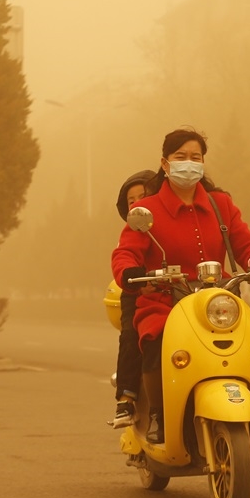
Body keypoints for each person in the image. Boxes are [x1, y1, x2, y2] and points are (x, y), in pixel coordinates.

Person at [111, 128, 250, 443]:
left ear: (203, 163)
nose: (188, 163)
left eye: (196, 157)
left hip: (216, 301)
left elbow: (245, 243)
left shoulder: (221, 204)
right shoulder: (146, 209)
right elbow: (125, 252)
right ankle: (158, 416)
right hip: (164, 301)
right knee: (155, 341)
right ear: (165, 164)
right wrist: (130, 271)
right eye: (181, 157)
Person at [110, 169, 158, 428]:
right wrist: (132, 276)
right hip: (137, 292)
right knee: (132, 336)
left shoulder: (171, 225)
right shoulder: (131, 231)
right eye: (132, 200)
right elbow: (123, 256)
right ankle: (126, 398)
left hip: (180, 293)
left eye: (145, 195)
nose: (139, 202)